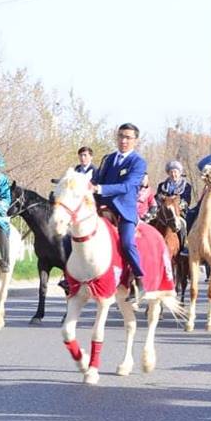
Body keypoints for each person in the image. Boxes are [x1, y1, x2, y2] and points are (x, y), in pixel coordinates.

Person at [89, 123, 148, 302]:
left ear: (135, 141)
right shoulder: (109, 159)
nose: (123, 140)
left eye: (128, 137)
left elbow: (127, 186)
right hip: (102, 207)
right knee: (75, 233)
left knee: (127, 243)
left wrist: (99, 188)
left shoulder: (138, 162)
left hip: (124, 210)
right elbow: (96, 179)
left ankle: (139, 279)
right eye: (121, 136)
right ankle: (70, 278)